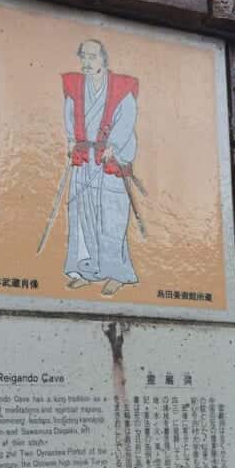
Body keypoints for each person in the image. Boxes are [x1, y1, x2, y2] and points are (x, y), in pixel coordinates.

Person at [62, 39, 139, 296]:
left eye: (92, 56)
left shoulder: (121, 87)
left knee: (111, 218)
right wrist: (72, 140)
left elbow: (127, 118)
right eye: (83, 56)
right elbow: (70, 115)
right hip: (85, 159)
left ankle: (116, 273)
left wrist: (114, 145)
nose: (87, 62)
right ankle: (87, 269)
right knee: (82, 214)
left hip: (108, 161)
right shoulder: (75, 85)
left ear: (104, 59)